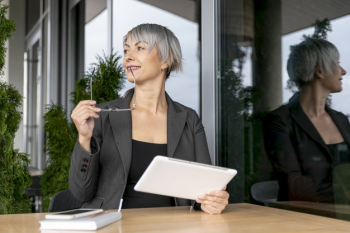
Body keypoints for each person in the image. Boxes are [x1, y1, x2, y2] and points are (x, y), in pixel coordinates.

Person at [69, 24, 229, 214]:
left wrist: (213, 200)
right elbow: (81, 193)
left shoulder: (189, 118)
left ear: (166, 60)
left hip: (174, 227)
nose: (127, 56)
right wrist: (84, 139)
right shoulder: (102, 115)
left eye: (140, 48)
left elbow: (204, 191)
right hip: (114, 225)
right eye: (126, 50)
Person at [263, 38, 349, 203]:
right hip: (306, 219)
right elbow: (295, 186)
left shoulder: (341, 120)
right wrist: (343, 193)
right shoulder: (279, 121)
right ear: (320, 71)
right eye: (337, 63)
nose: (343, 71)